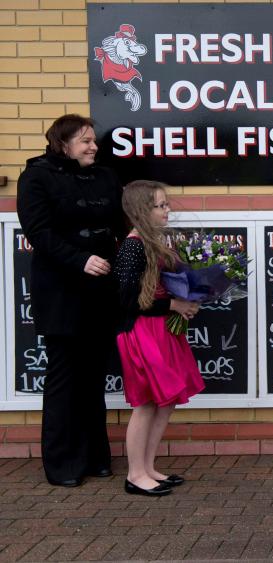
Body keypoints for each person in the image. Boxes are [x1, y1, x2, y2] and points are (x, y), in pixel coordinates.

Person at [16, 114, 126, 487]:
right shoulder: (36, 176)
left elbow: (121, 225)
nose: (94, 146)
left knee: (94, 375)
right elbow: (38, 231)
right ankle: (63, 464)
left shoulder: (106, 176)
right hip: (62, 288)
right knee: (64, 376)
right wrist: (79, 259)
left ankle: (96, 457)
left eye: (94, 140)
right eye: (85, 141)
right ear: (63, 144)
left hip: (100, 287)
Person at [115, 180, 203, 496]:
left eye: (166, 204)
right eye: (160, 205)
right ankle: (135, 474)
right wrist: (173, 304)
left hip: (164, 330)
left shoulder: (158, 243)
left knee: (165, 404)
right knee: (147, 403)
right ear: (142, 210)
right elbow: (125, 299)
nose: (167, 210)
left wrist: (187, 302)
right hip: (142, 332)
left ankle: (149, 466)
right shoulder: (133, 246)